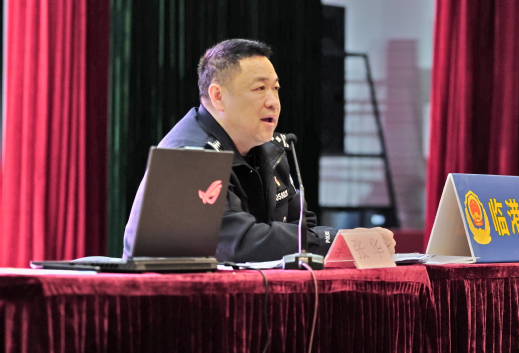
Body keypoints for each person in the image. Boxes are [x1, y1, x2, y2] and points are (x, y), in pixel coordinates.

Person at [123, 39, 396, 262]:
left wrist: (350, 242)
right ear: (218, 96)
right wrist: (339, 240)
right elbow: (237, 244)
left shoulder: (271, 150)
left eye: (276, 88)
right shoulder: (189, 155)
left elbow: (303, 229)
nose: (273, 101)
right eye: (260, 88)